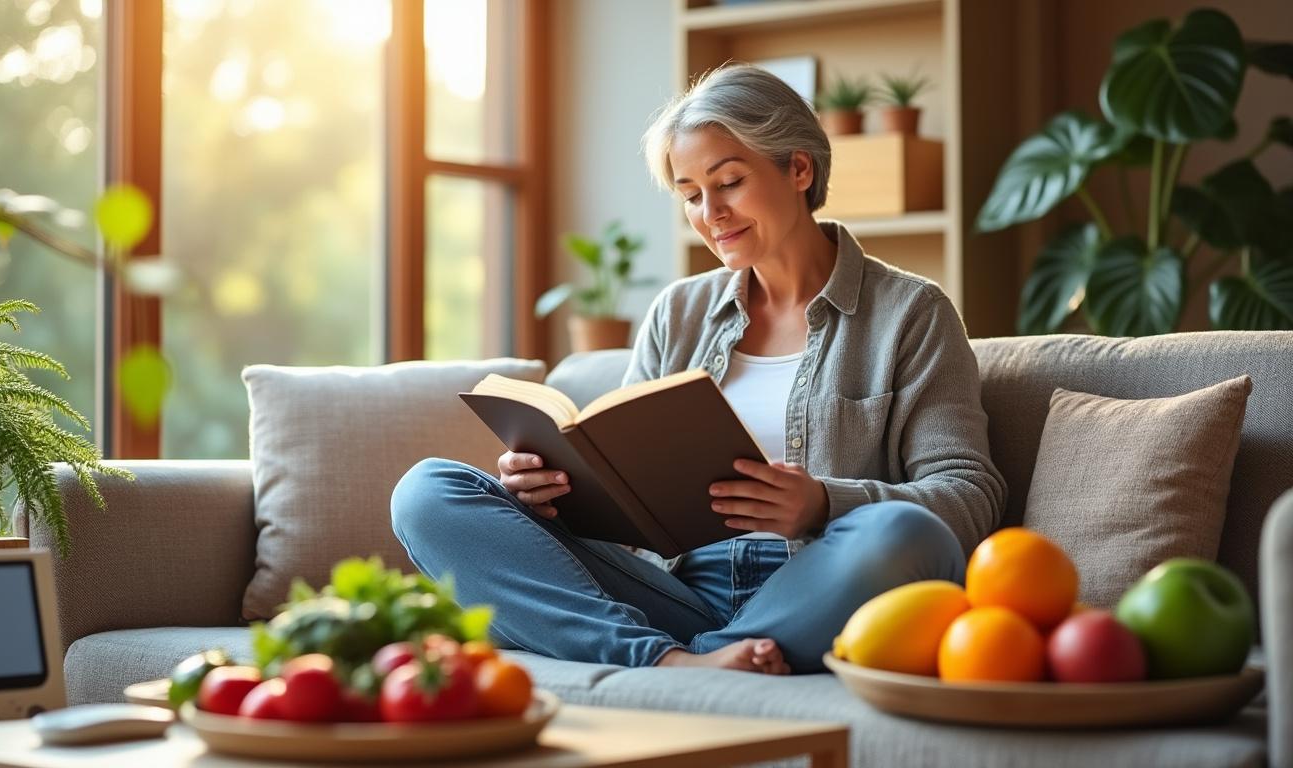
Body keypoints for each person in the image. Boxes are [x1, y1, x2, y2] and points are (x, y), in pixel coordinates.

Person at [391, 63, 1005, 674]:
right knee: (428, 492)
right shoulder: (678, 312)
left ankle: (685, 658)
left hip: (821, 585)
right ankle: (671, 660)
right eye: (690, 194)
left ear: (798, 168)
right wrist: (557, 494)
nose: (710, 212)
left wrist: (822, 504)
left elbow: (970, 498)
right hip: (677, 595)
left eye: (729, 182)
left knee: (904, 534)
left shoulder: (911, 313)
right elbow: (627, 509)